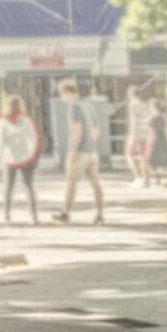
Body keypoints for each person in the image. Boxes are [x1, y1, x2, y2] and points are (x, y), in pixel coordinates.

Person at [55, 80, 105, 225]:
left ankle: (65, 213)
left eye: (61, 94)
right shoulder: (88, 105)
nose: (62, 98)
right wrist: (90, 143)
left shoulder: (73, 106)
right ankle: (100, 214)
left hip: (81, 151)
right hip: (92, 152)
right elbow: (96, 129)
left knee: (71, 182)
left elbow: (77, 128)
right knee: (95, 183)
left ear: (66, 92)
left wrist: (74, 149)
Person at [0, 97, 43, 224]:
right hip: (24, 158)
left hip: (11, 159)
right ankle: (33, 216)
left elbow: (0, 143)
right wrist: (33, 155)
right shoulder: (26, 120)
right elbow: (34, 138)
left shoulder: (3, 122)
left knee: (9, 188)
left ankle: (7, 215)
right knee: (28, 187)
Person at [123, 85, 159, 188]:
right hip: (145, 132)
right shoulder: (145, 105)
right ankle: (146, 181)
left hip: (135, 133)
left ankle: (138, 178)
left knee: (129, 155)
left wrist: (130, 134)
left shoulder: (132, 104)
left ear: (130, 94)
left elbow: (133, 121)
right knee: (144, 158)